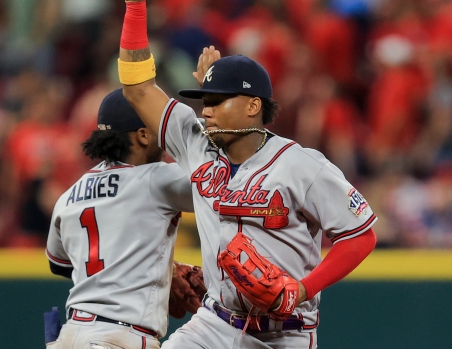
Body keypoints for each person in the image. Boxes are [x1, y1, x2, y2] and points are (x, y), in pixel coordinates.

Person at [117, 1, 378, 348]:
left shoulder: (301, 166)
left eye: (218, 101)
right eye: (205, 101)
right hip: (213, 324)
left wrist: (303, 289)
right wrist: (135, 8)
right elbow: (138, 89)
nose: (206, 111)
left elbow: (360, 236)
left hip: (285, 334)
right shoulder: (196, 145)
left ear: (253, 106)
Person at [45, 88, 204, 349]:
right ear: (143, 135)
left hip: (71, 334)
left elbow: (60, 265)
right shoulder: (157, 178)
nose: (165, 136)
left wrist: (152, 264)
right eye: (159, 127)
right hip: (120, 337)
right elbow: (220, 186)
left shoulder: (69, 195)